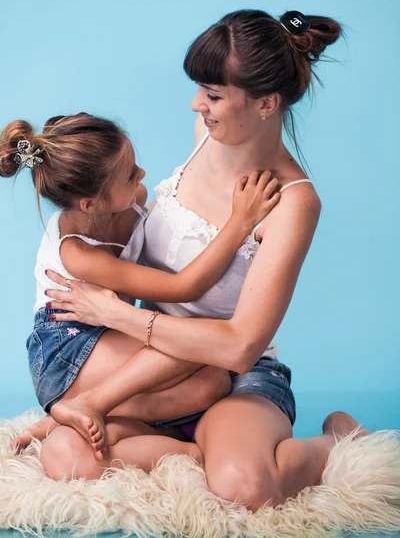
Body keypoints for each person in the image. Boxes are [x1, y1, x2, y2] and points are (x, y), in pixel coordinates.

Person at [13, 9, 369, 510]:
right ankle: (194, 451)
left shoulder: (293, 201)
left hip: (229, 374)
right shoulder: (206, 136)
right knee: (69, 459)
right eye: (201, 88)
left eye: (215, 95)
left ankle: (338, 440)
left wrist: (118, 314)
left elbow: (242, 346)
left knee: (245, 490)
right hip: (153, 368)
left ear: (267, 102)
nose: (196, 103)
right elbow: (148, 252)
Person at [0, 112, 280, 461]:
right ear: (91, 204)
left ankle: (69, 416)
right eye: (131, 175)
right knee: (195, 339)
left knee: (214, 383)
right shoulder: (77, 251)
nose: (142, 176)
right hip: (66, 347)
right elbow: (183, 287)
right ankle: (86, 403)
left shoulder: (133, 198)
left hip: (110, 328)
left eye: (135, 164)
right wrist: (241, 222)